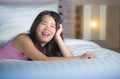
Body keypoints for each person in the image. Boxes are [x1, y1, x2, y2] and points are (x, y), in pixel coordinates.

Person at [0, 10, 96, 61]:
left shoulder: (47, 46)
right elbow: (42, 59)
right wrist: (80, 57)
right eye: (43, 23)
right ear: (36, 25)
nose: (47, 28)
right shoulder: (23, 39)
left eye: (52, 26)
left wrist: (58, 37)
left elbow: (69, 57)